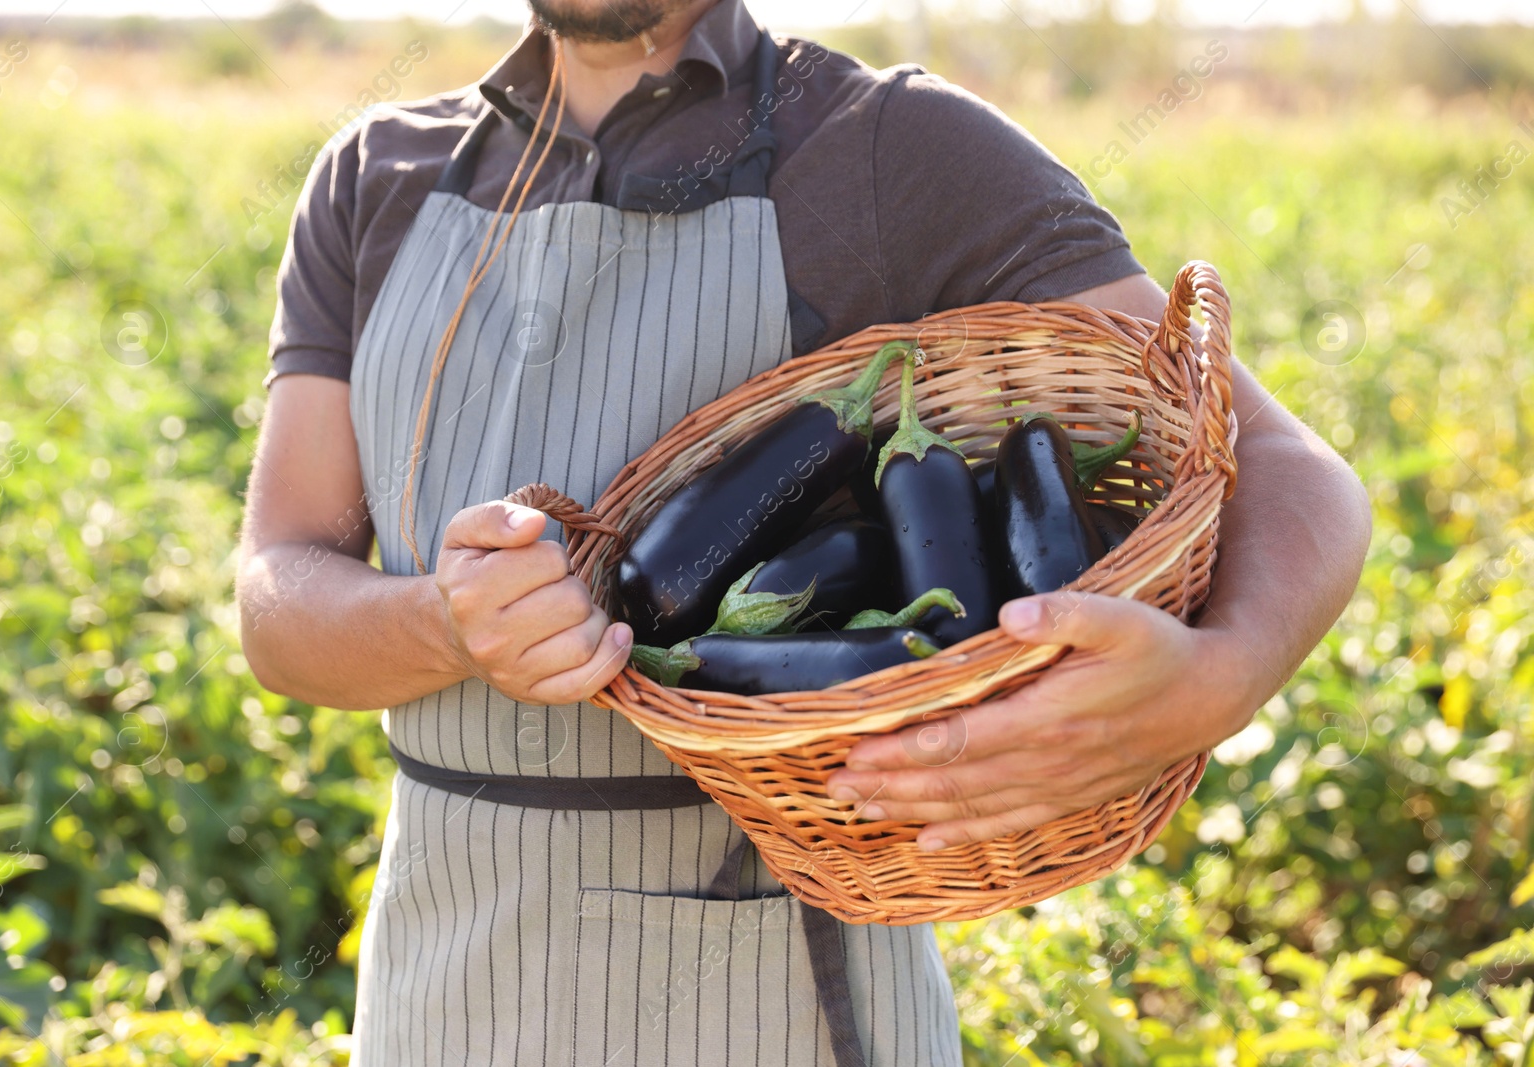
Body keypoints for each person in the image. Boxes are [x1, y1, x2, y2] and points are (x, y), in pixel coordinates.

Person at [236, 0, 1372, 1063]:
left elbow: (1279, 462)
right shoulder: (373, 179)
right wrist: (440, 621)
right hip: (437, 1001)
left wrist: (1218, 681)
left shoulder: (888, 150)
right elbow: (281, 590)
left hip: (776, 1007)